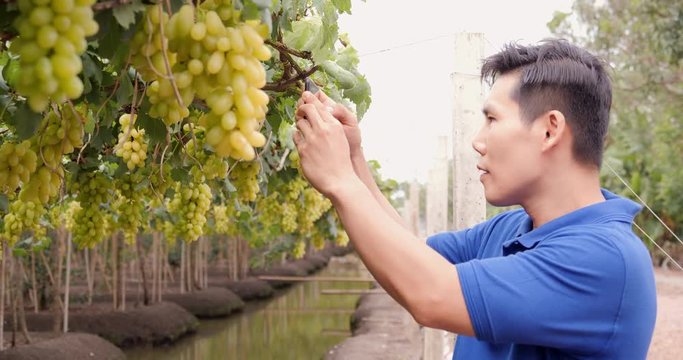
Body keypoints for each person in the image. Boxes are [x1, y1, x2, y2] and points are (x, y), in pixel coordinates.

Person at [292, 39, 657, 359]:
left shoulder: (604, 260)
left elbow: (430, 295)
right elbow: (412, 259)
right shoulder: (514, 227)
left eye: (492, 119)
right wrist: (355, 163)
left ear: (549, 130)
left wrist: (341, 182)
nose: (477, 141)